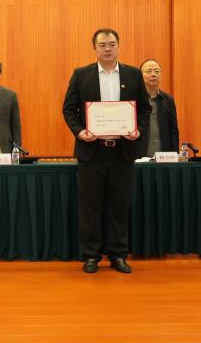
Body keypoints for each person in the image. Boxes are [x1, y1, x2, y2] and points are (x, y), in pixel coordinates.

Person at [62, 29, 150, 275]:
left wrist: (138, 130)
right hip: (92, 151)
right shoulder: (81, 75)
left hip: (122, 151)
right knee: (90, 206)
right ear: (95, 48)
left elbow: (144, 109)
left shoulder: (133, 74)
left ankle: (118, 254)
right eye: (102, 45)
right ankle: (91, 255)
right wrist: (80, 132)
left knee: (119, 205)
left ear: (118, 47)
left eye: (112, 44)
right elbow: (69, 110)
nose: (107, 49)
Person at [135, 59, 180, 157]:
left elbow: (173, 130)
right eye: (148, 71)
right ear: (140, 75)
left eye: (156, 71)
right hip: (138, 156)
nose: (153, 74)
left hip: (163, 157)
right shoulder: (134, 100)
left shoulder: (168, 100)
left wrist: (175, 155)